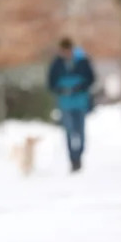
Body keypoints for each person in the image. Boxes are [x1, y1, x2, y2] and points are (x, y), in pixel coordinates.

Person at [47, 37, 95, 172]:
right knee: (69, 131)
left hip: (80, 103)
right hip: (65, 104)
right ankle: (73, 159)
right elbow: (51, 83)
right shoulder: (56, 64)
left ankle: (79, 155)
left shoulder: (82, 62)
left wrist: (79, 88)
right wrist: (61, 90)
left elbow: (91, 79)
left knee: (80, 131)